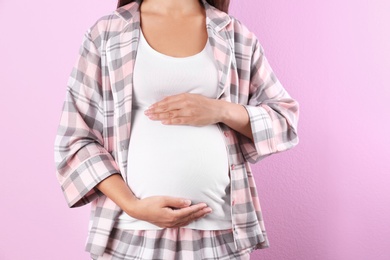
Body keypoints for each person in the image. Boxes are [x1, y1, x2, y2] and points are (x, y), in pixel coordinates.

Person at [54, 0, 299, 259]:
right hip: (131, 235)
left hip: (219, 235)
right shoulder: (107, 33)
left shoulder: (234, 34)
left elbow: (285, 120)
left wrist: (221, 110)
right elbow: (75, 138)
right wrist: (133, 206)